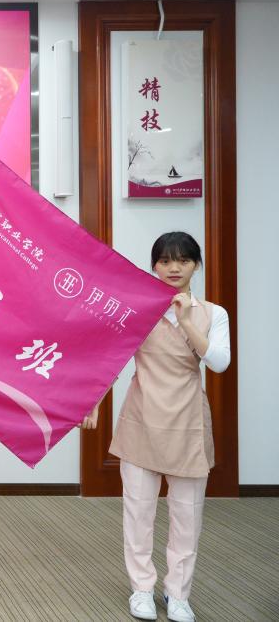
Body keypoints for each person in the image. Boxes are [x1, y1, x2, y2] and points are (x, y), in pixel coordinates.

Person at [84, 232, 230, 622]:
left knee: (187, 516)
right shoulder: (138, 310)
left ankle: (178, 594)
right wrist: (93, 402)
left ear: (196, 265)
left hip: (187, 424)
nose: (174, 268)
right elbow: (111, 360)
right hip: (142, 420)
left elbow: (218, 362)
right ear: (154, 267)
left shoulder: (213, 313)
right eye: (165, 261)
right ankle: (142, 589)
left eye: (183, 260)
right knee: (138, 512)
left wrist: (185, 320)